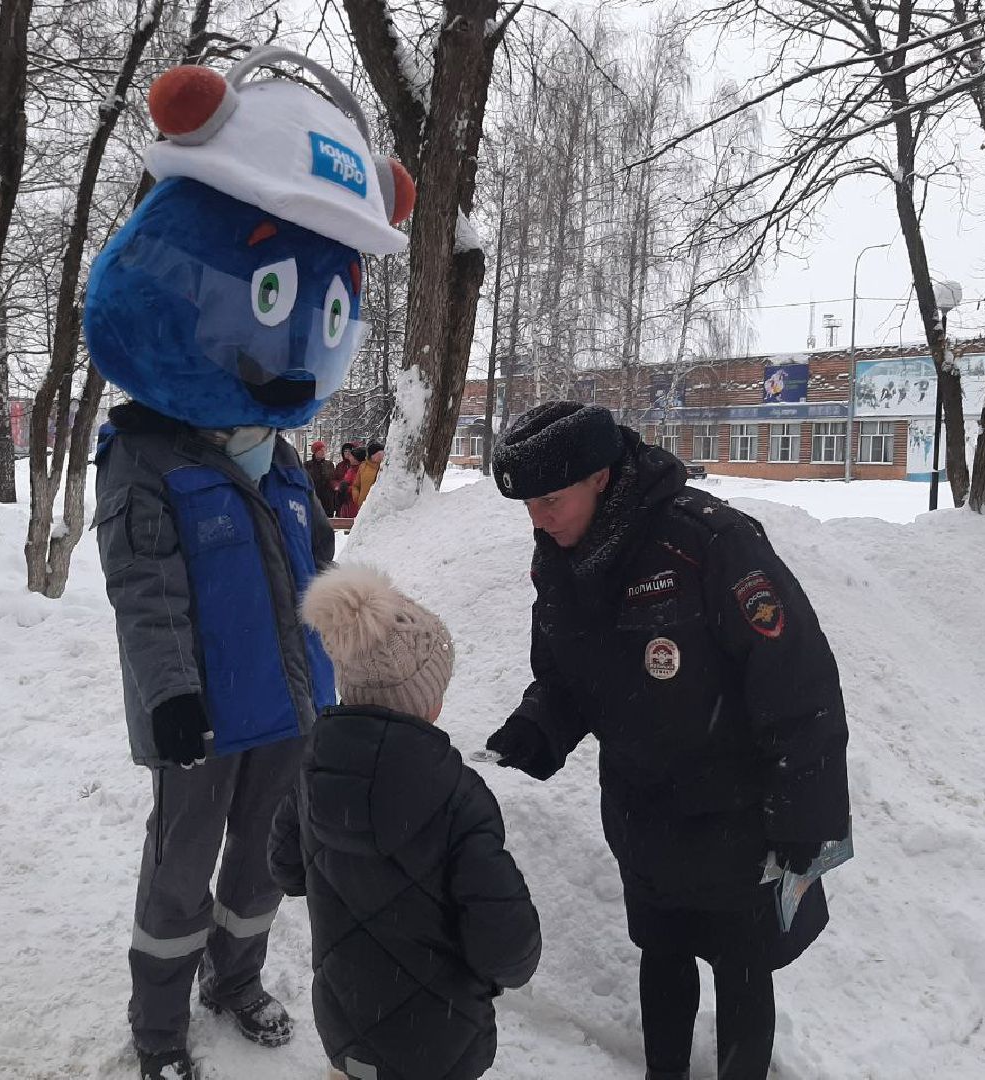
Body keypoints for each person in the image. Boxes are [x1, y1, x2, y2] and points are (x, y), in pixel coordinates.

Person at [81, 46, 416, 1080]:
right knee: (179, 868)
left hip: (288, 705)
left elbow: (318, 578)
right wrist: (173, 698)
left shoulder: (281, 464)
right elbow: (146, 594)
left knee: (266, 860)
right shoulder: (145, 458)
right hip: (199, 720)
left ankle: (236, 980)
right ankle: (157, 1028)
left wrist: (353, 667)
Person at [484, 402, 850, 1080]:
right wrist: (539, 727)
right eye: (528, 502)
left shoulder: (709, 543)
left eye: (550, 498)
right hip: (643, 814)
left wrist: (806, 812)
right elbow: (567, 676)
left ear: (599, 477)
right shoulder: (561, 560)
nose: (538, 517)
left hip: (737, 820)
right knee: (662, 955)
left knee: (744, 971)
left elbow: (797, 680)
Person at [270, 564, 541, 1080]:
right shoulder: (459, 798)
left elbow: (284, 868)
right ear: (425, 702)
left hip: (345, 1028)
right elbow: (508, 947)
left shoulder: (314, 770)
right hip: (438, 1043)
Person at [305, 439, 338, 516]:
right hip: (313, 497)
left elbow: (333, 479)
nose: (323, 452)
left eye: (324, 450)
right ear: (315, 452)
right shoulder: (307, 465)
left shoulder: (329, 465)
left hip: (327, 500)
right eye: (321, 450)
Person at [350, 440, 384, 513]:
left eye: (382, 453)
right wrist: (357, 498)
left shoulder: (386, 467)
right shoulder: (363, 466)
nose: (381, 455)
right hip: (363, 506)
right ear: (372, 455)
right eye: (378, 453)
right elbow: (356, 485)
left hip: (381, 507)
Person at [336, 445, 367, 519]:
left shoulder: (362, 470)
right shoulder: (351, 469)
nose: (349, 458)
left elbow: (360, 487)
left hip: (355, 504)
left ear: (357, 459)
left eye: (351, 456)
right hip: (346, 502)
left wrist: (347, 489)